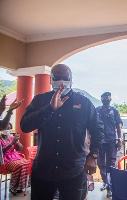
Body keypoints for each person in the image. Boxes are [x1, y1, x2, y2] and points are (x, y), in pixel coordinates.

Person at [20, 64, 104, 200]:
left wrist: (93, 155)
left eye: (66, 78)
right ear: (50, 80)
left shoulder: (84, 102)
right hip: (43, 171)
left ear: (71, 80)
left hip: (73, 171)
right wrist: (49, 108)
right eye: (57, 78)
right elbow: (24, 126)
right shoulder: (40, 100)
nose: (62, 82)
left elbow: (98, 129)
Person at [96, 92, 122, 198]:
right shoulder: (97, 110)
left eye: (107, 97)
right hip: (99, 142)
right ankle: (105, 182)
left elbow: (118, 126)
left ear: (110, 99)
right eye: (104, 97)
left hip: (111, 141)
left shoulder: (114, 111)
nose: (105, 99)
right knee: (100, 164)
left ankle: (110, 187)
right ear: (101, 99)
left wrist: (119, 139)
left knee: (111, 164)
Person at [0, 123, 30, 196]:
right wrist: (11, 144)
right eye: (5, 128)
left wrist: (17, 142)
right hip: (5, 158)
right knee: (20, 165)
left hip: (15, 156)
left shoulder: (11, 137)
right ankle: (13, 186)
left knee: (27, 163)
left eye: (9, 128)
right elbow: (1, 151)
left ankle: (21, 186)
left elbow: (19, 148)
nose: (7, 130)